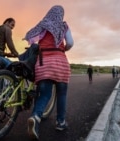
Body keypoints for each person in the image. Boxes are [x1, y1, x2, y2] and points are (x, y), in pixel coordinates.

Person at [23, 5, 74, 140]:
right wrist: (63, 49)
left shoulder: (43, 24)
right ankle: (60, 122)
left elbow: (33, 39)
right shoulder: (63, 26)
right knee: (61, 93)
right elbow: (70, 42)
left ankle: (35, 117)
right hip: (60, 63)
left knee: (44, 95)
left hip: (43, 63)